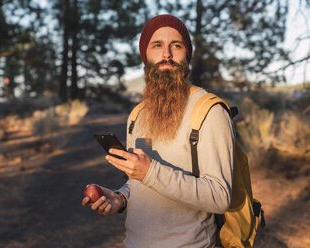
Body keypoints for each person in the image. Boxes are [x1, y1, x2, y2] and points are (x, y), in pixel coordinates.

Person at [82, 14, 234, 248]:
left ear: (187, 55)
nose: (167, 54)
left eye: (177, 45)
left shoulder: (209, 111)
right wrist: (120, 197)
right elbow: (141, 182)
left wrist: (150, 172)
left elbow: (220, 197)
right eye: (157, 45)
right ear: (145, 56)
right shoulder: (137, 114)